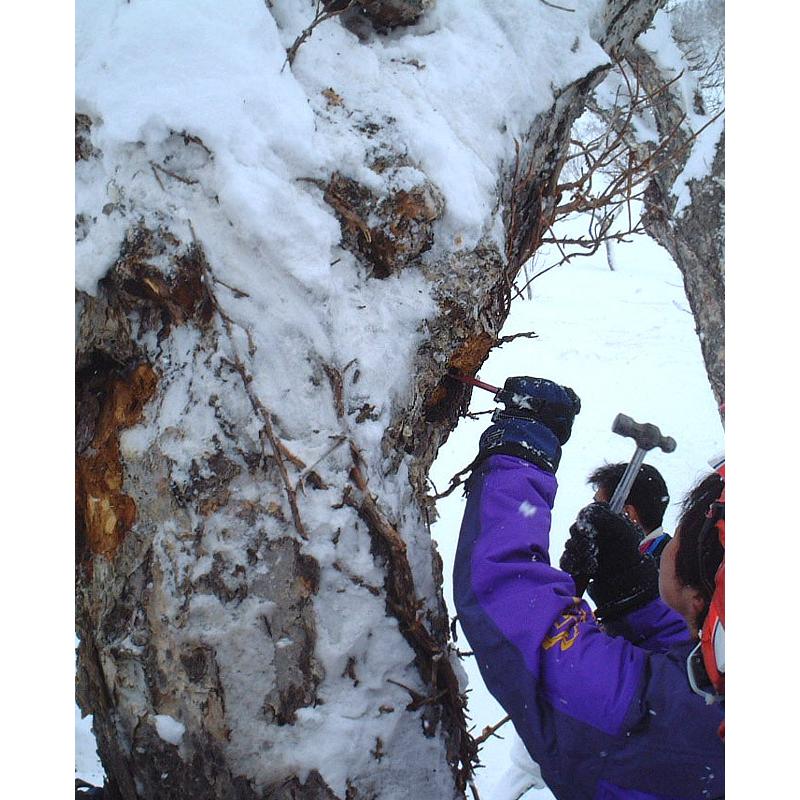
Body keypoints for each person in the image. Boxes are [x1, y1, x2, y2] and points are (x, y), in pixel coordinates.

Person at [454, 376, 724, 800]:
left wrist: (522, 447)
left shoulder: (646, 725)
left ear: (701, 595)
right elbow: (685, 670)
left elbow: (507, 593)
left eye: (686, 535)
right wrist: (633, 601)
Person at [588, 461, 672, 563]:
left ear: (627, 514)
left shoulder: (669, 569)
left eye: (598, 506)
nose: (591, 512)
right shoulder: (605, 552)